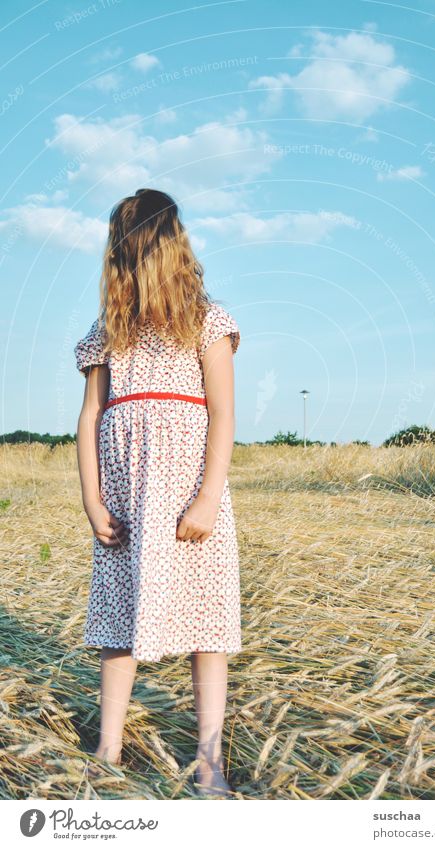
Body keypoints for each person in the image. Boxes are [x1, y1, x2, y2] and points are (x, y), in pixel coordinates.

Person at [74, 188, 241, 798]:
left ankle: (209, 761)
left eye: (141, 252)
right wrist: (94, 501)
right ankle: (108, 748)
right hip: (124, 499)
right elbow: (91, 416)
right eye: (123, 257)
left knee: (206, 628)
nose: (132, 267)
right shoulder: (108, 331)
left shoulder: (208, 321)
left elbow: (222, 414)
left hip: (189, 500)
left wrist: (205, 498)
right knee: (119, 625)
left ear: (170, 249)